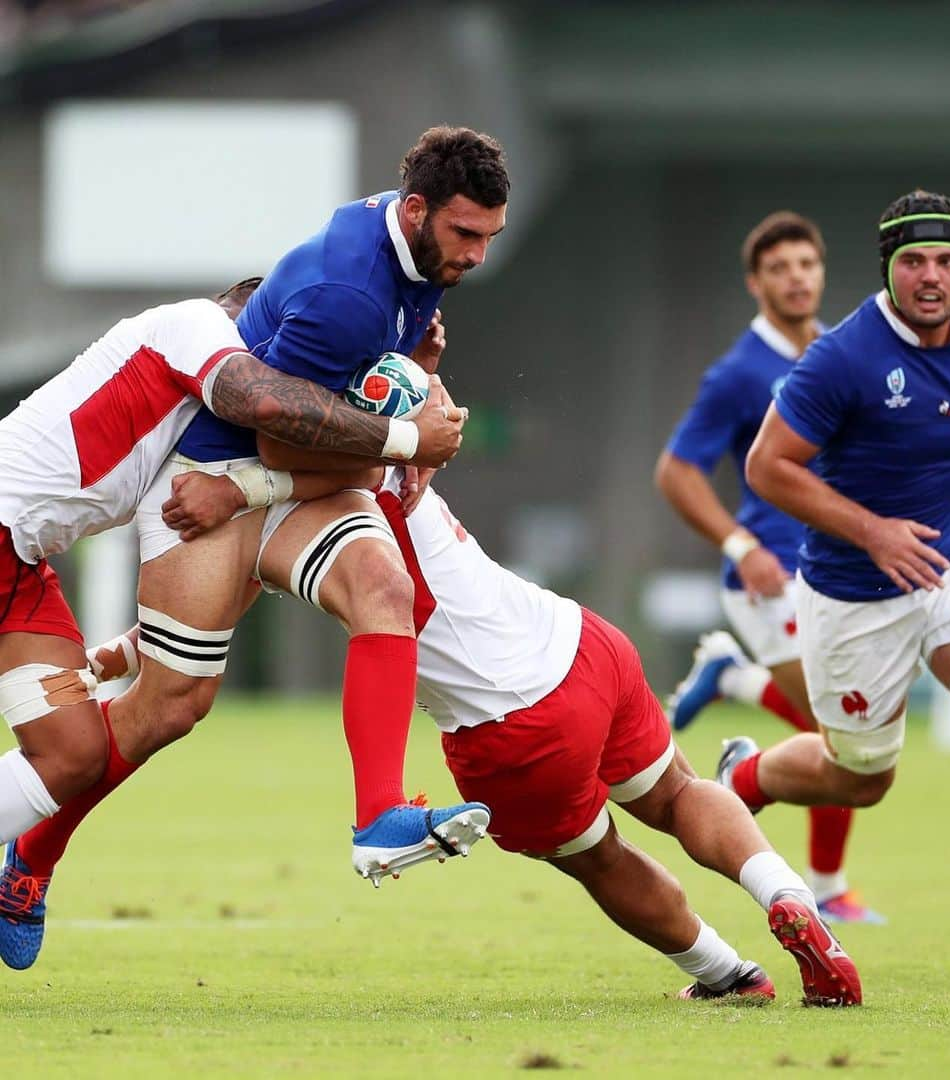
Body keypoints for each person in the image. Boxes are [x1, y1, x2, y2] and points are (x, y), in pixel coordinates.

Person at [0, 126, 508, 969]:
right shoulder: (223, 331)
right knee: (166, 706)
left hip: (31, 560)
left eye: (488, 237)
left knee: (380, 592)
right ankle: (32, 859)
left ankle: (379, 813)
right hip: (199, 488)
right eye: (467, 236)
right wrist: (401, 445)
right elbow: (268, 421)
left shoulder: (401, 247)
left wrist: (418, 391)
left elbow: (343, 386)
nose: (479, 256)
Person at [94, 460, 864, 1006]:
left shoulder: (304, 468)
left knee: (601, 859)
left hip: (513, 729)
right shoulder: (379, 424)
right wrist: (135, 643)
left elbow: (254, 561)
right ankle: (788, 898)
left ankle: (728, 972)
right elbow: (414, 406)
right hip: (582, 642)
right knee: (680, 792)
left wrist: (234, 493)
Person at [726, 189, 950, 888]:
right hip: (855, 595)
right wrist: (873, 532)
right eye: (914, 260)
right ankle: (743, 774)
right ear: (888, 267)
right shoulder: (842, 357)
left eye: (946, 260)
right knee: (859, 780)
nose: (931, 276)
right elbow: (766, 467)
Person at [655, 211, 883, 924]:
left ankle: (734, 677)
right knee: (845, 733)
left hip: (835, 572)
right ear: (757, 283)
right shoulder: (739, 373)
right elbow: (676, 471)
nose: (796, 278)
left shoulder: (836, 355)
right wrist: (738, 546)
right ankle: (827, 886)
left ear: (822, 272)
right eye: (780, 268)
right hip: (772, 576)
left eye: (807, 265)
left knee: (851, 730)